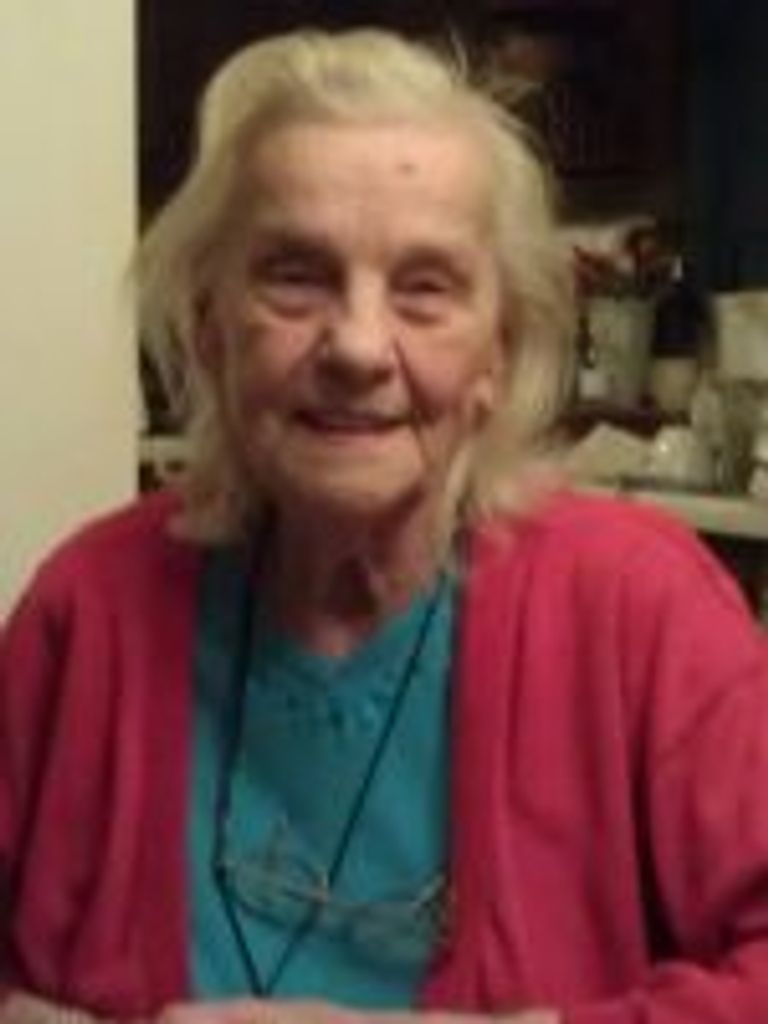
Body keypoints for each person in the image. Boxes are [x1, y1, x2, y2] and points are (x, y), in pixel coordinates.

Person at [1, 26, 768, 1024]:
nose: (359, 347)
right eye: (296, 274)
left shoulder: (642, 607)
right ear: (208, 324)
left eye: (425, 288)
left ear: (500, 352)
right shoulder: (90, 604)